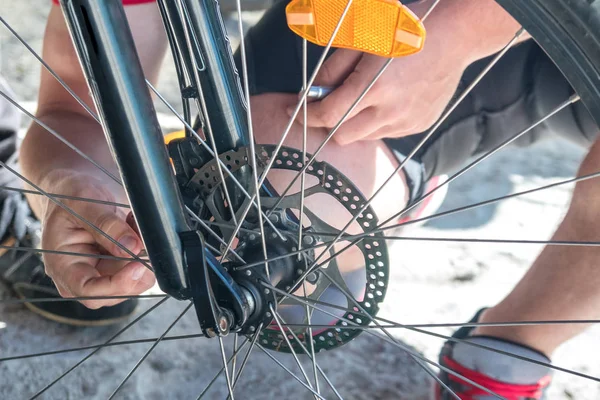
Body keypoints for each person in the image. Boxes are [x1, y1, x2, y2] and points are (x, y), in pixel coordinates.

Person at [0, 0, 597, 397]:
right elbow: (75, 102)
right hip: (376, 20)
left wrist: (459, 30)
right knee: (263, 208)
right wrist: (69, 187)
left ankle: (510, 350)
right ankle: (379, 211)